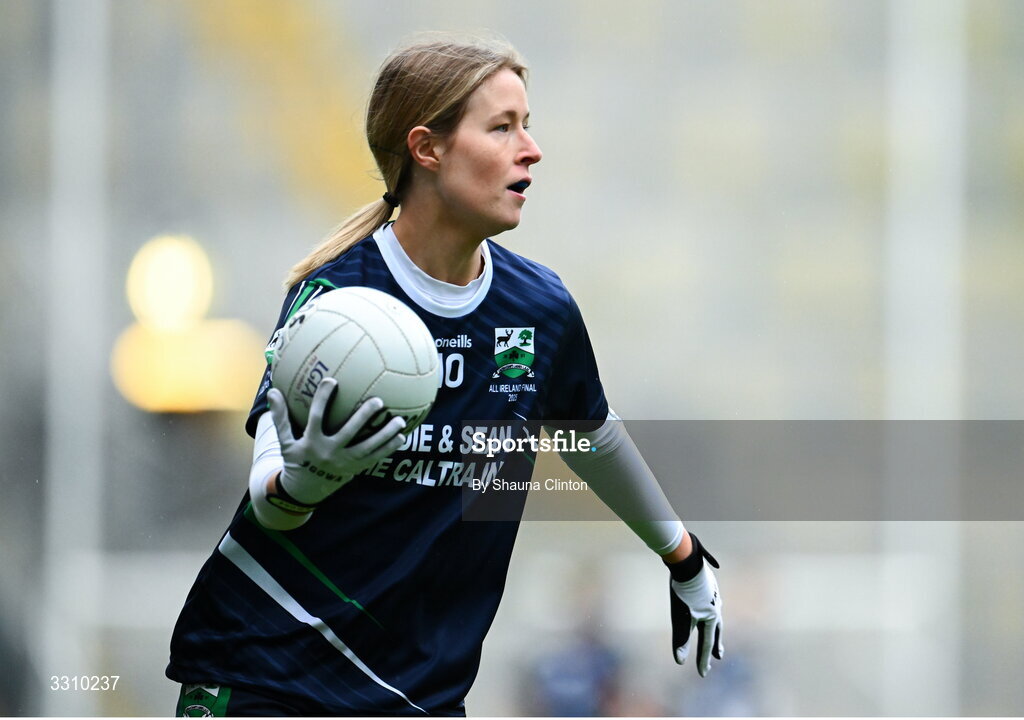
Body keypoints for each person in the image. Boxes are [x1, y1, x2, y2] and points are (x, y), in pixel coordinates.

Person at [166, 34, 723, 717]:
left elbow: (592, 436)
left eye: (529, 126)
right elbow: (270, 485)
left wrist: (684, 557)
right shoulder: (339, 299)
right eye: (503, 128)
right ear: (428, 148)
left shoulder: (539, 310)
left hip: (417, 698)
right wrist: (304, 483)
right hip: (266, 677)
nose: (531, 149)